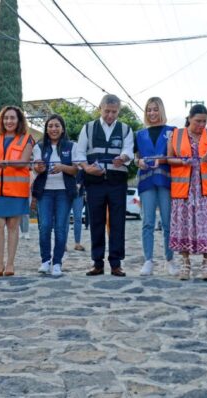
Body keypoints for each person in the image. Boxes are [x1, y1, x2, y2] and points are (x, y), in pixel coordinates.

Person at [167, 104, 207, 280]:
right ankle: (185, 264)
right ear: (189, 118)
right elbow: (168, 158)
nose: (201, 125)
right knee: (184, 226)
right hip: (184, 189)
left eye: (204, 121)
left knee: (206, 226)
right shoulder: (176, 135)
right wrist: (181, 162)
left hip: (206, 190)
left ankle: (206, 263)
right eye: (197, 121)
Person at [75, 94, 134, 277]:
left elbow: (128, 150)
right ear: (100, 108)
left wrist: (123, 157)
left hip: (117, 181)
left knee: (117, 222)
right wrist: (86, 168)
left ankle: (116, 263)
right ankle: (97, 263)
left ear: (118, 111)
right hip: (95, 182)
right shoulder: (88, 128)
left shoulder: (125, 129)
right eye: (107, 111)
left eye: (114, 112)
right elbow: (79, 153)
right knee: (96, 221)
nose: (110, 115)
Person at [0, 105, 34, 277]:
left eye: (12, 118)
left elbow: (24, 161)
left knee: (13, 226)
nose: (9, 121)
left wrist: (7, 162)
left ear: (19, 120)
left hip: (16, 190)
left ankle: (10, 264)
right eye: (6, 118)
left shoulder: (27, 138)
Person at [135, 97, 177, 276]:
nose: (152, 113)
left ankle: (170, 259)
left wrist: (161, 160)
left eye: (155, 109)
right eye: (149, 110)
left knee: (168, 222)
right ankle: (148, 260)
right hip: (146, 181)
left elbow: (175, 156)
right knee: (147, 222)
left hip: (166, 181)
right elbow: (136, 158)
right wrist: (139, 162)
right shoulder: (139, 134)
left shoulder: (172, 131)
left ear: (161, 110)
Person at [32, 114, 78, 278]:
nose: (53, 129)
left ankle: (57, 262)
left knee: (60, 228)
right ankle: (45, 260)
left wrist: (62, 167)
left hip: (64, 192)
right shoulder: (39, 146)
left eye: (57, 126)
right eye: (50, 126)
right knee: (44, 226)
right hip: (45, 192)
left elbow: (75, 170)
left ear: (62, 128)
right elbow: (36, 168)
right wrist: (39, 168)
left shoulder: (72, 146)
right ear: (46, 129)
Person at [70, 170, 86, 251]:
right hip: (66, 193)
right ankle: (63, 244)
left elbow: (85, 175)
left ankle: (77, 243)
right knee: (64, 219)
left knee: (78, 219)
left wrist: (80, 184)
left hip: (78, 194)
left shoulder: (81, 159)